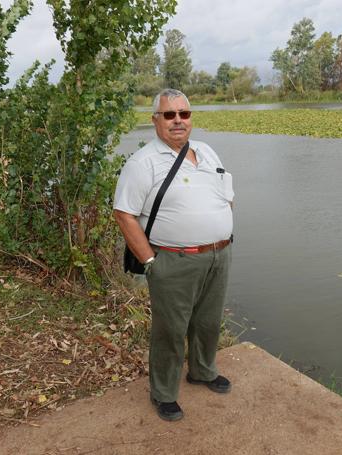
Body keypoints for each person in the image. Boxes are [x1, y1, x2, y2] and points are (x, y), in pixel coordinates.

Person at [113, 88, 234, 421]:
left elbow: (227, 196)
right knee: (170, 329)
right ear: (155, 120)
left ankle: (203, 371)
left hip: (217, 256)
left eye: (184, 113)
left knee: (208, 322)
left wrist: (216, 230)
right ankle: (164, 393)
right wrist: (152, 263)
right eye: (169, 115)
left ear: (191, 117)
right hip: (172, 260)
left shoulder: (207, 152)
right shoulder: (143, 163)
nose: (178, 121)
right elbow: (124, 214)